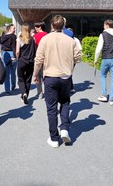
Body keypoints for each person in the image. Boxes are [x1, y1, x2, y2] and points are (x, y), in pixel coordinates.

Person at [33, 15, 81, 148]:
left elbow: (39, 59)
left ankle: (54, 138)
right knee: (65, 102)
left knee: (51, 108)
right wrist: (70, 65)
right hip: (65, 76)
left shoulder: (45, 39)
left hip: (50, 77)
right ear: (62, 26)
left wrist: (35, 74)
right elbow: (78, 57)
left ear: (52, 26)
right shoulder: (70, 40)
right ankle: (64, 128)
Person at [16, 23, 36, 105]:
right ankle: (26, 95)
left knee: (21, 78)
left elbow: (17, 51)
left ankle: (23, 93)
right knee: (28, 79)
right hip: (30, 62)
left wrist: (17, 58)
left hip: (22, 61)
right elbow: (34, 51)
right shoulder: (32, 39)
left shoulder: (19, 39)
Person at [0, 24, 17, 94]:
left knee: (6, 72)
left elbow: (0, 43)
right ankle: (13, 85)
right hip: (12, 53)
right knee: (13, 71)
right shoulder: (13, 36)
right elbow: (14, 47)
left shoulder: (2, 37)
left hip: (5, 54)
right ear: (9, 29)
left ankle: (7, 90)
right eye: (13, 28)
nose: (14, 30)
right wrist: (15, 56)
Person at [33, 21, 47, 99]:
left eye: (36, 27)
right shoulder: (47, 35)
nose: (35, 29)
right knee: (45, 75)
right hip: (46, 58)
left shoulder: (35, 36)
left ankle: (40, 92)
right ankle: (47, 91)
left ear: (40, 27)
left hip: (38, 57)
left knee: (37, 76)